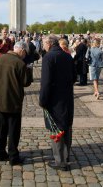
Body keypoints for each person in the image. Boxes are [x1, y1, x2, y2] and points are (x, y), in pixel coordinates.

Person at [0, 41, 32, 166]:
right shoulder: (19, 63)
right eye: (25, 53)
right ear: (22, 50)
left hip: (0, 100)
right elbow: (26, 82)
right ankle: (13, 156)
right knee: (13, 130)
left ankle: (1, 153)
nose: (25, 55)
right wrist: (29, 71)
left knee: (1, 129)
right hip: (13, 102)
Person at [39, 35, 76, 171]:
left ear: (49, 44)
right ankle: (66, 156)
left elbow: (46, 82)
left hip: (54, 100)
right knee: (66, 126)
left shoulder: (48, 57)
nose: (43, 46)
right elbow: (74, 77)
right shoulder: (67, 56)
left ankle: (60, 161)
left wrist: (42, 100)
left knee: (56, 127)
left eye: (44, 43)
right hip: (67, 97)